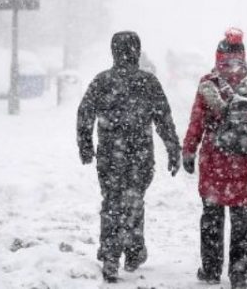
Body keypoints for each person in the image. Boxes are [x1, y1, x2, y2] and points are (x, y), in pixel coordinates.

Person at [76, 31, 181, 283]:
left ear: (113, 51)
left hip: (110, 155)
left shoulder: (102, 81)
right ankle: (133, 251)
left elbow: (84, 114)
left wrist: (86, 146)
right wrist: (173, 149)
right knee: (134, 200)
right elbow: (163, 118)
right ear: (137, 51)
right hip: (140, 154)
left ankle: (110, 256)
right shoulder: (148, 82)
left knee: (112, 203)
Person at [182, 28, 247, 289]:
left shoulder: (209, 84)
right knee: (243, 221)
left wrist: (189, 149)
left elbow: (196, 121)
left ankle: (210, 270)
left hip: (215, 160)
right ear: (243, 56)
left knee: (212, 218)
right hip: (246, 163)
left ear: (218, 57)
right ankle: (239, 275)